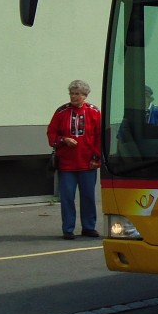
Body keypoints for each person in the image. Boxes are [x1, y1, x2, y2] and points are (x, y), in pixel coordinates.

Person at [47, 79, 102, 240]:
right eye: (72, 93)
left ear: (85, 96)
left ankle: (89, 227)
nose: (74, 96)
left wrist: (96, 157)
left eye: (78, 94)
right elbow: (51, 134)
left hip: (87, 163)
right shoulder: (61, 112)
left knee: (88, 197)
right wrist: (63, 140)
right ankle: (68, 228)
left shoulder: (94, 112)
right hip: (67, 164)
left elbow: (101, 136)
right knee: (67, 197)